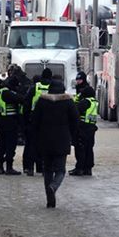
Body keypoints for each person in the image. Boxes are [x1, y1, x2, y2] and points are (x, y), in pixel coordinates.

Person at [31, 80, 79, 208]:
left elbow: (35, 120)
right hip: (62, 139)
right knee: (60, 170)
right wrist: (72, 136)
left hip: (45, 139)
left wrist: (34, 138)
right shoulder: (68, 102)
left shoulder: (42, 101)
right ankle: (54, 186)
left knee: (47, 170)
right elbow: (75, 120)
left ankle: (50, 200)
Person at [0, 67, 25, 175]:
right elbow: (22, 99)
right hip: (9, 122)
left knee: (1, 144)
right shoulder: (8, 93)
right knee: (10, 145)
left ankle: (0, 167)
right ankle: (9, 167)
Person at [23, 68, 53, 175]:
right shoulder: (52, 87)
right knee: (46, 145)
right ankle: (43, 168)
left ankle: (30, 168)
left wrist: (26, 119)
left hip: (34, 119)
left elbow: (26, 102)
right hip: (48, 121)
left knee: (32, 144)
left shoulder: (35, 87)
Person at [70, 86, 98, 176]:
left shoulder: (85, 102)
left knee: (80, 148)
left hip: (83, 128)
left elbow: (74, 111)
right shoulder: (94, 102)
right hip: (91, 128)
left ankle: (79, 168)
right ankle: (88, 168)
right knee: (89, 149)